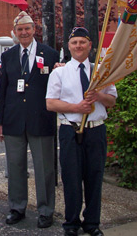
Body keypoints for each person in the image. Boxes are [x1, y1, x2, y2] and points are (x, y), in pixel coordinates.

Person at [46, 27, 117, 236]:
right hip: (71, 131)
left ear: (90, 46)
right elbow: (50, 103)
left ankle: (92, 224)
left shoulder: (101, 72)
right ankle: (71, 223)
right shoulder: (59, 72)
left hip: (95, 131)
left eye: (82, 42)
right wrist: (77, 108)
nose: (78, 46)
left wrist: (99, 96)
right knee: (71, 179)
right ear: (69, 46)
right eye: (75, 42)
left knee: (94, 178)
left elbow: (112, 100)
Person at [0, 11, 59, 229]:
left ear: (34, 30)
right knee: (15, 166)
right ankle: (17, 207)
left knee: (44, 168)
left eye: (27, 28)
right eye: (20, 29)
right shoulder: (8, 55)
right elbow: (3, 90)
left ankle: (45, 210)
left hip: (41, 119)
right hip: (14, 120)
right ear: (15, 32)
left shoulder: (50, 55)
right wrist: (0, 122)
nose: (24, 32)